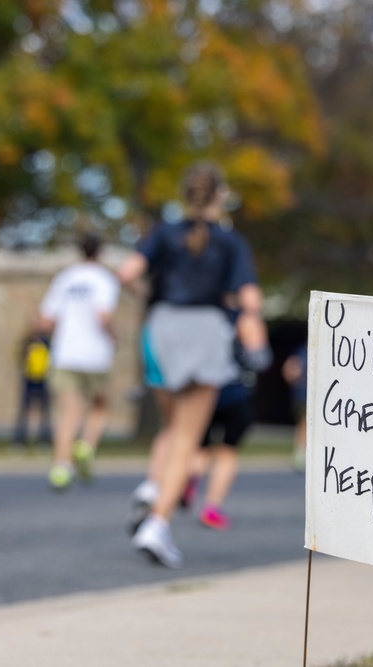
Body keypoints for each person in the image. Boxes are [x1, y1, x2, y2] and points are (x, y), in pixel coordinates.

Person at [118, 162, 269, 568]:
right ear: (220, 195)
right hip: (204, 330)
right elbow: (250, 300)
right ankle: (158, 524)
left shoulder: (164, 234)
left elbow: (127, 272)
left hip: (161, 327)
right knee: (189, 436)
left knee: (170, 428)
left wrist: (150, 294)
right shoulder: (230, 242)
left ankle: (153, 487)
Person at [38, 233, 119, 490]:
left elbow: (47, 319)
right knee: (100, 405)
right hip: (95, 354)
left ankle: (61, 467)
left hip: (65, 353)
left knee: (68, 412)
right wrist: (114, 336)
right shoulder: (104, 280)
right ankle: (87, 444)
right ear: (100, 252)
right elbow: (103, 316)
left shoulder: (65, 278)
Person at [181, 319, 266, 530]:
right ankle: (211, 508)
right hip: (235, 392)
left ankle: (191, 476)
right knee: (228, 451)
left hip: (203, 391)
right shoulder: (243, 318)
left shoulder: (200, 317)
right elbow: (260, 360)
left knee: (201, 447)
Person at [11, 317, 53, 450]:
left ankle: (44, 440)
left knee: (45, 412)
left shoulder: (49, 341)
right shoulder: (27, 341)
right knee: (24, 412)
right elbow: (18, 356)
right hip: (29, 379)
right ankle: (20, 440)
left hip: (44, 379)